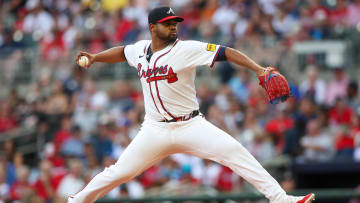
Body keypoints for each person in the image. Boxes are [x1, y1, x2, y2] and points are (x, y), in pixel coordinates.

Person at [70, 6, 315, 203]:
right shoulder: (140, 50)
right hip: (155, 130)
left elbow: (225, 51)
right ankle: (78, 201)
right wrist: (95, 57)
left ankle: (281, 199)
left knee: (235, 152)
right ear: (152, 28)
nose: (173, 27)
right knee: (121, 171)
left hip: (191, 125)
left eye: (175, 23)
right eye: (168, 24)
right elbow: (122, 52)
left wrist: (259, 69)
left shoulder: (187, 49)